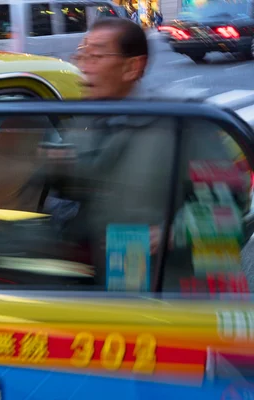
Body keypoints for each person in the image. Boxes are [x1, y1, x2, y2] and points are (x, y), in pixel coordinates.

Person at [56, 17, 241, 287]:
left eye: (95, 55)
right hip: (100, 289)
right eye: (81, 54)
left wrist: (171, 234)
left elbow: (230, 207)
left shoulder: (181, 121)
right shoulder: (84, 121)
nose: (83, 66)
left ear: (132, 67)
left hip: (169, 292)